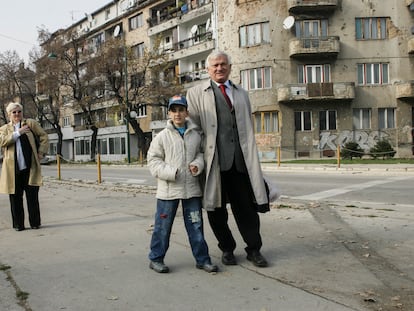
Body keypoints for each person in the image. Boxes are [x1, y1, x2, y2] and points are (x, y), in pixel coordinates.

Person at [186, 51, 270, 267]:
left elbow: (246, 127)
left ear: (230, 67)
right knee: (216, 209)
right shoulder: (196, 93)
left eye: (223, 64)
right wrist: (195, 159)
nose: (219, 68)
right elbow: (194, 129)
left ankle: (254, 249)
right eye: (215, 65)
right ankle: (227, 249)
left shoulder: (241, 93)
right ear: (207, 69)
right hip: (213, 161)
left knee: (247, 209)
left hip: (241, 162)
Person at [147, 95, 218, 274]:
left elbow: (201, 153)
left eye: (181, 110)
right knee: (162, 228)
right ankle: (156, 258)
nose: (177, 114)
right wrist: (172, 173)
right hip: (168, 191)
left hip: (192, 189)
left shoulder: (195, 134)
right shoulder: (162, 137)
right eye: (174, 110)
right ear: (169, 113)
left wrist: (198, 165)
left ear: (187, 112)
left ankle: (203, 260)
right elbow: (153, 161)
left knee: (196, 226)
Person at [0, 102, 49, 231]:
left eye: (19, 111)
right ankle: (18, 225)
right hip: (13, 170)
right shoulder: (4, 129)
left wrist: (41, 152)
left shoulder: (30, 123)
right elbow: (2, 142)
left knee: (32, 197)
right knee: (15, 198)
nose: (17, 114)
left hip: (30, 167)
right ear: (9, 114)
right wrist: (18, 133)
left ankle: (35, 223)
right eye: (14, 112)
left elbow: (44, 136)